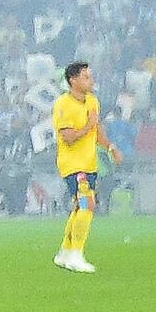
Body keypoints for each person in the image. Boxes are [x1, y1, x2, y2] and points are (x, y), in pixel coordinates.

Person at [51, 59, 118, 271]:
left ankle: (65, 252)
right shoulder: (63, 104)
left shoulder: (92, 102)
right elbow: (69, 137)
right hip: (73, 165)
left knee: (80, 206)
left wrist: (111, 147)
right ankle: (76, 254)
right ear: (73, 80)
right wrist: (89, 124)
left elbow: (97, 131)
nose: (91, 81)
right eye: (86, 77)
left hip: (89, 164)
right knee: (88, 204)